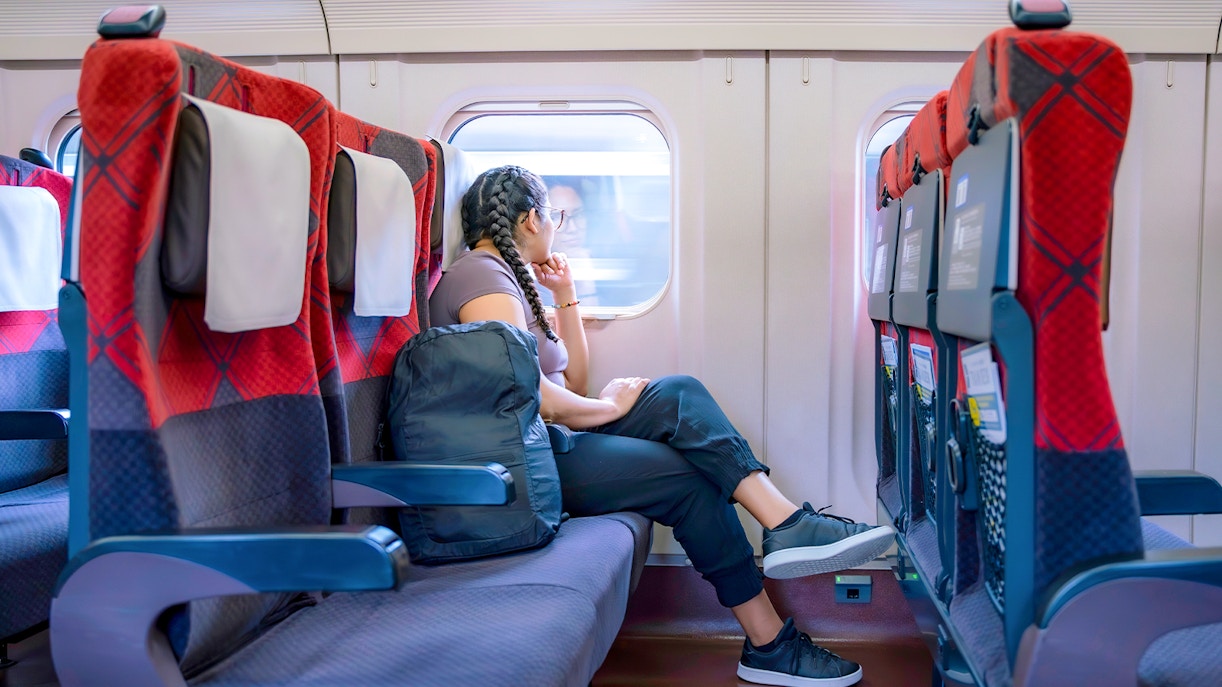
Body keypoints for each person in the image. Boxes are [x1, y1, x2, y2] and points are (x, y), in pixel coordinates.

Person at [429, 165, 894, 687]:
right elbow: (540, 400)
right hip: (522, 464)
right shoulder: (481, 278)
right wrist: (607, 409)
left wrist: (565, 296)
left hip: (545, 445)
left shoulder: (510, 282)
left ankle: (785, 527)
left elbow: (572, 380)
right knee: (689, 478)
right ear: (532, 219)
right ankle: (771, 630)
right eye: (554, 216)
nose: (558, 225)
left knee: (678, 392)